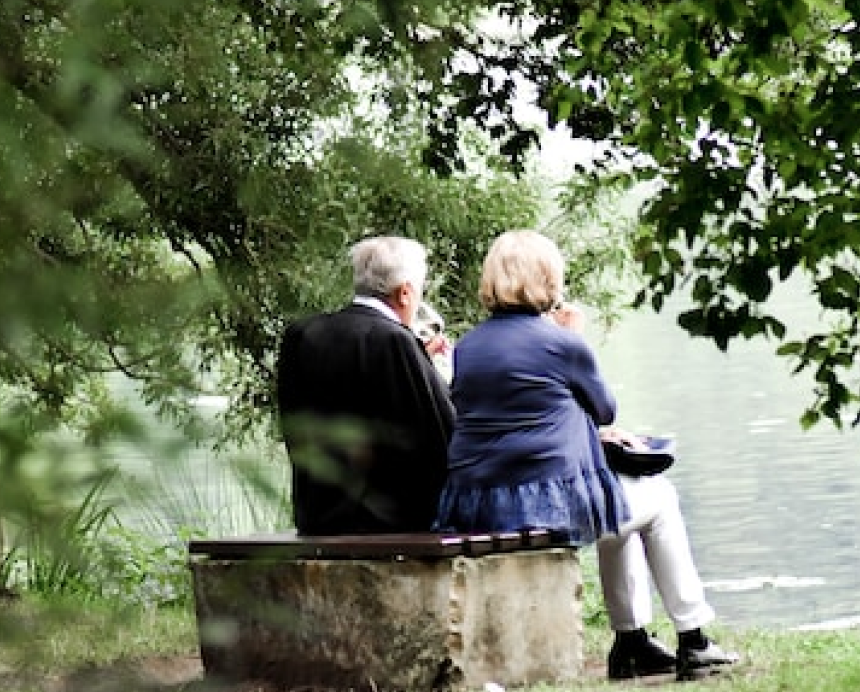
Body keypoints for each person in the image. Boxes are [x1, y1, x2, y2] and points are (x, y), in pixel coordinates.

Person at [433, 230, 739, 682]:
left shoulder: (469, 346)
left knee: (621, 509)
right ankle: (693, 638)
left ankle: (632, 642)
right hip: (541, 506)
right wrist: (574, 338)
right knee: (659, 499)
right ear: (548, 279)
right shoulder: (561, 343)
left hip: (478, 503)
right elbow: (604, 409)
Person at [276, 236, 454, 535]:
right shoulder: (395, 341)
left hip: (317, 516)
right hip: (389, 521)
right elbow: (439, 431)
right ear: (405, 293)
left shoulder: (301, 335)